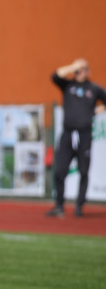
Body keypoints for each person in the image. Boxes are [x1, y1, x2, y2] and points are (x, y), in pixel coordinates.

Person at [47, 58, 106, 218]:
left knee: (83, 171)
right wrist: (74, 66)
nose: (79, 73)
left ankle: (79, 206)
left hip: (84, 135)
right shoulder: (68, 86)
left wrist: (99, 110)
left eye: (83, 69)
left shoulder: (94, 89)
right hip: (67, 134)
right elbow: (55, 76)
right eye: (77, 70)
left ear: (88, 72)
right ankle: (59, 205)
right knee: (59, 171)